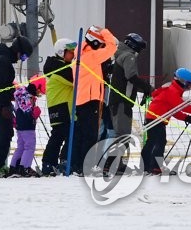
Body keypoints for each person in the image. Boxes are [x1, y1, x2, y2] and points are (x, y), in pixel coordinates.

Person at [0, 34, 33, 175]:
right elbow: (0, 86)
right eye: (23, 57)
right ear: (18, 51)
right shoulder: (3, 61)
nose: (21, 60)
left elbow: (4, 85)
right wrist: (5, 105)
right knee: (6, 133)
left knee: (3, 132)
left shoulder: (3, 59)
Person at [70, 25, 117, 175]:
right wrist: (105, 31)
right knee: (90, 135)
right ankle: (87, 166)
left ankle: (79, 165)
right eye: (100, 44)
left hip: (81, 100)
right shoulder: (91, 57)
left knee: (82, 134)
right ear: (95, 42)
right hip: (90, 99)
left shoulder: (80, 55)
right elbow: (112, 47)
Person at [105, 32, 152, 174]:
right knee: (123, 135)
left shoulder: (118, 54)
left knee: (120, 134)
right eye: (140, 47)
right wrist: (148, 88)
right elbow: (131, 77)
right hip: (122, 102)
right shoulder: (128, 56)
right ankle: (110, 165)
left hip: (116, 101)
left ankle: (117, 164)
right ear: (134, 45)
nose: (140, 51)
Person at [141, 68, 191, 174]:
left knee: (153, 142)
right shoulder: (172, 91)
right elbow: (182, 106)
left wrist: (185, 118)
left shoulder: (173, 90)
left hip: (155, 118)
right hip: (156, 119)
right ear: (182, 81)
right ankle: (155, 167)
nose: (189, 88)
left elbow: (174, 110)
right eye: (188, 85)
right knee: (159, 142)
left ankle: (147, 166)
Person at [41, 38, 76, 176]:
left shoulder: (59, 65)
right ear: (62, 52)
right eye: (70, 51)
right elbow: (74, 80)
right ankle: (52, 162)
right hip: (61, 106)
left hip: (61, 105)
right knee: (61, 135)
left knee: (62, 134)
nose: (73, 54)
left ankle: (57, 161)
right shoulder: (59, 68)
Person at [9, 76, 44, 177]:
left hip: (20, 125)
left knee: (21, 146)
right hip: (27, 126)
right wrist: (36, 112)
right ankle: (25, 167)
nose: (39, 94)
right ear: (36, 87)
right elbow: (28, 113)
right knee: (29, 147)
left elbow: (19, 110)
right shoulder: (28, 97)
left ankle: (13, 167)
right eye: (39, 91)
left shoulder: (21, 94)